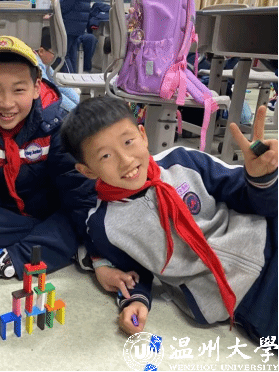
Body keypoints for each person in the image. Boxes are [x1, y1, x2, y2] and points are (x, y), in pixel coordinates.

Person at [60, 96, 278, 343]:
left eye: (128, 142)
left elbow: (251, 200)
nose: (126, 160)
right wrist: (136, 301)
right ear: (87, 171)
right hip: (237, 298)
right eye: (106, 156)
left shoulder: (183, 161)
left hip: (268, 239)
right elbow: (131, 272)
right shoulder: (104, 225)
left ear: (143, 135)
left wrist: (261, 179)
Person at [0, 35, 136, 293]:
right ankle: (63, 243)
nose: (7, 103)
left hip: (50, 207)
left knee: (81, 215)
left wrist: (100, 257)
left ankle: (7, 258)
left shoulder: (55, 125)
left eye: (18, 90)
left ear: (36, 87)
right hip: (1, 208)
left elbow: (78, 190)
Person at [59, 0, 93, 73]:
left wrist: (55, 9)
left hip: (70, 21)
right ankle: (73, 80)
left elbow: (67, 1)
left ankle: (68, 82)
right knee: (71, 53)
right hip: (79, 23)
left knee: (62, 55)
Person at [36, 27, 79, 112]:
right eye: (53, 53)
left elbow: (58, 84)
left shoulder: (45, 64)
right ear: (41, 51)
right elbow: (51, 93)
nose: (55, 57)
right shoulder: (37, 65)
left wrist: (80, 103)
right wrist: (76, 111)